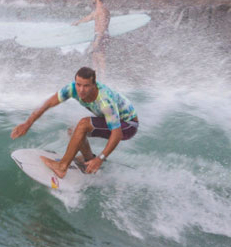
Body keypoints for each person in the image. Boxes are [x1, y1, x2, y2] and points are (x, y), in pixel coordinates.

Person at [11, 66, 139, 179]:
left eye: (86, 86)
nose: (81, 90)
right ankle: (88, 160)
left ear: (94, 84)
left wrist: (100, 159)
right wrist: (28, 123)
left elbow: (116, 134)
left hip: (128, 126)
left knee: (83, 124)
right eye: (79, 84)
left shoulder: (105, 100)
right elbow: (48, 103)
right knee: (74, 131)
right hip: (114, 121)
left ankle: (62, 167)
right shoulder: (72, 89)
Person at [72, 0, 111, 72]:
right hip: (99, 35)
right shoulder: (98, 10)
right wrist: (78, 22)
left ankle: (104, 81)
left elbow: (103, 25)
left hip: (101, 35)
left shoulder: (102, 10)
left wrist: (98, 39)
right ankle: (95, 80)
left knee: (100, 58)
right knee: (95, 58)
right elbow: (89, 18)